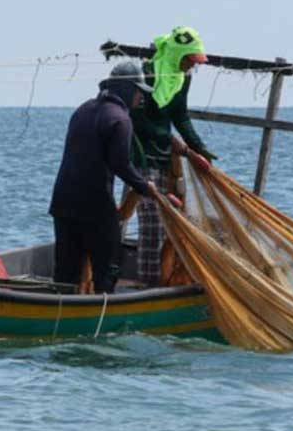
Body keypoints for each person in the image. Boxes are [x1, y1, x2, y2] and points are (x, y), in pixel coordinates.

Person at [49, 61, 156, 293]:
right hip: (95, 207)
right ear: (127, 90)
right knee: (109, 268)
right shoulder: (121, 119)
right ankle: (100, 317)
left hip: (62, 204)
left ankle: (59, 315)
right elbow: (121, 164)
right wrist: (147, 187)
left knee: (65, 272)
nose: (141, 98)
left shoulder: (82, 110)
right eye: (139, 92)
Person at [130, 25, 216, 286]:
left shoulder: (181, 79)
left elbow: (180, 116)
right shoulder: (148, 75)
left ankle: (162, 280)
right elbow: (139, 122)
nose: (191, 67)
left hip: (166, 158)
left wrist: (199, 148)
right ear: (176, 54)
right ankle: (149, 286)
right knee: (151, 223)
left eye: (195, 63)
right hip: (140, 157)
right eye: (189, 61)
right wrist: (181, 147)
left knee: (169, 222)